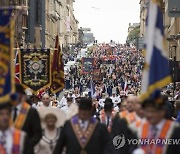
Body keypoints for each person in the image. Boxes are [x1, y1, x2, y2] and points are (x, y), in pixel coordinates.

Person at [11, 84, 42, 153]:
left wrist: (27, 145)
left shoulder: (31, 112)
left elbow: (38, 134)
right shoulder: (6, 111)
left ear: (21, 95)